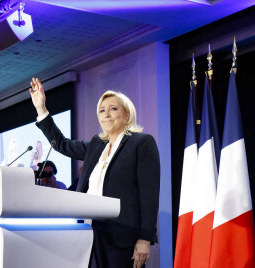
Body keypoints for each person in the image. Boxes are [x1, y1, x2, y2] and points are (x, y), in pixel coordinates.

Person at [30, 77, 160, 268]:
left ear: (126, 115)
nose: (106, 114)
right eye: (101, 110)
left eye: (113, 109)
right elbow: (63, 144)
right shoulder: (96, 146)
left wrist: (144, 238)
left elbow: (149, 194)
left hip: (123, 236)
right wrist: (41, 109)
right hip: (90, 233)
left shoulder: (141, 143)